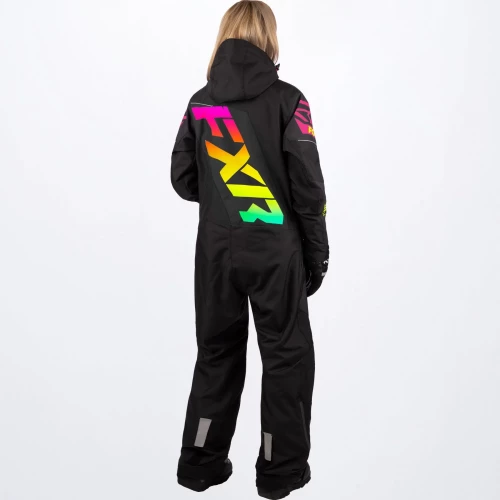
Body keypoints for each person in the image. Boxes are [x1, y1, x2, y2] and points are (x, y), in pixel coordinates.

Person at [171, 1, 328, 498]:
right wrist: (317, 256)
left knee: (215, 352)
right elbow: (308, 189)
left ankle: (200, 463)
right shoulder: (289, 101)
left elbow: (182, 178)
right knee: (286, 356)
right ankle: (279, 470)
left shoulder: (201, 103)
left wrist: (224, 199)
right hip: (275, 254)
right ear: (269, 38)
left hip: (216, 251)